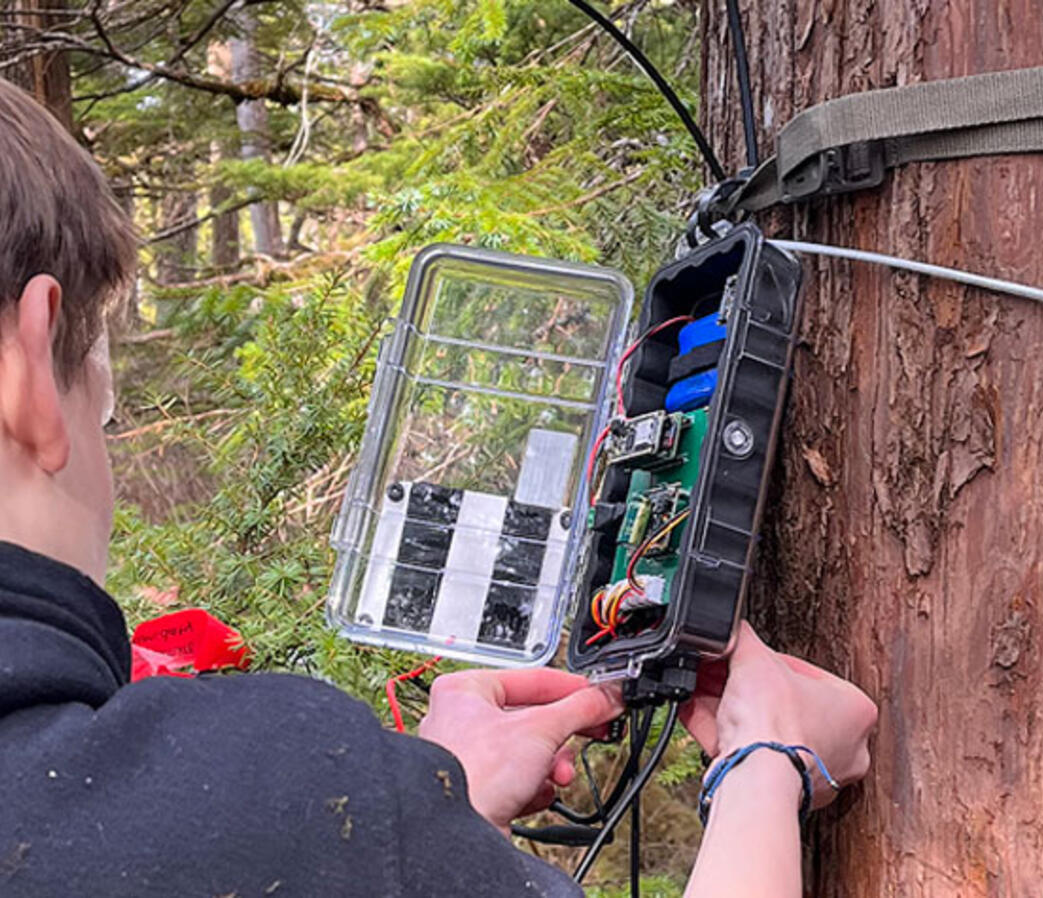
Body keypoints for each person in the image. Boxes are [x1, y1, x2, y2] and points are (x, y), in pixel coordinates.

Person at [0, 79, 878, 897]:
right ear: (33, 369)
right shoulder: (252, 793)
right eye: (105, 402)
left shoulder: (244, 807)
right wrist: (768, 763)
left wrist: (416, 809)